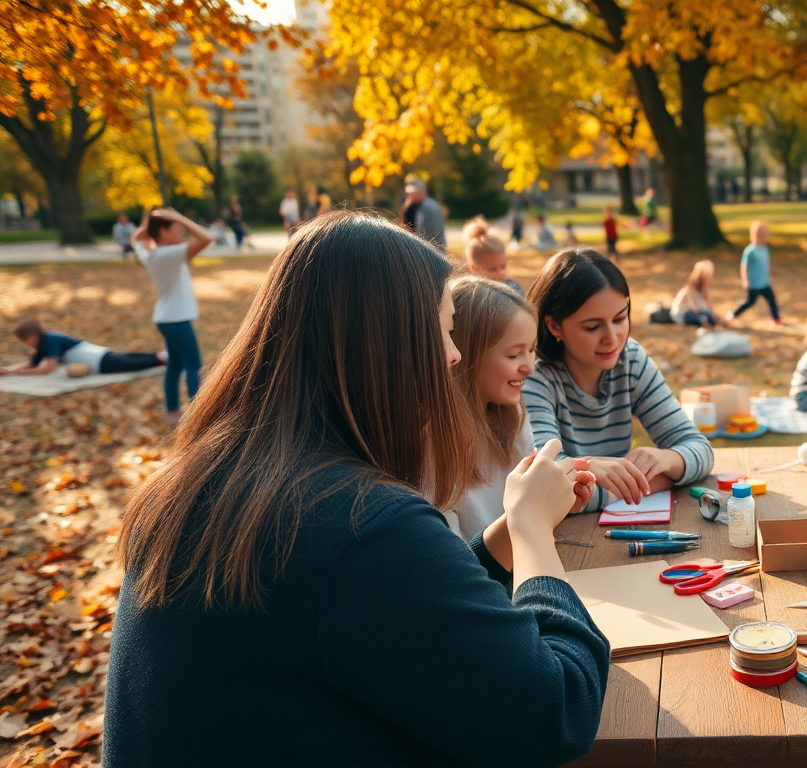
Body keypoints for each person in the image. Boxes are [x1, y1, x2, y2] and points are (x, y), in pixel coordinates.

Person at [105, 212, 608, 766]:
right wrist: (534, 531)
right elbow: (557, 710)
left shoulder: (209, 481)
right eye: (442, 331)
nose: (454, 354)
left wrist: (498, 542)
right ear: (387, 345)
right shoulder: (356, 524)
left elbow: (379, 612)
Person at [522, 248, 713, 510]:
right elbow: (545, 483)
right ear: (554, 326)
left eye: (620, 318)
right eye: (592, 327)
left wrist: (668, 459)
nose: (612, 338)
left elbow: (701, 450)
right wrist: (650, 482)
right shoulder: (533, 376)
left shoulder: (631, 359)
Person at [446, 276, 597, 540]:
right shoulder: (436, 454)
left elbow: (527, 526)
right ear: (465, 356)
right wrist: (534, 512)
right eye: (514, 354)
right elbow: (458, 567)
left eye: (531, 350)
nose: (530, 366)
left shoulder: (511, 416)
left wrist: (557, 506)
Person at [132, 208, 211, 425]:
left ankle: (172, 413)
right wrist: (182, 216)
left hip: (166, 318)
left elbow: (136, 238)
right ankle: (199, 417)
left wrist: (151, 220)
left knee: (175, 365)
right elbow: (206, 238)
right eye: (178, 229)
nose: (183, 233)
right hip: (177, 320)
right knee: (193, 365)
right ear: (162, 234)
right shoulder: (169, 254)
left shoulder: (150, 254)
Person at [2, 319, 165, 376]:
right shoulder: (41, 344)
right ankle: (160, 356)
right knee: (126, 358)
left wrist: (22, 372)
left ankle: (161, 358)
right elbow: (33, 365)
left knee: (128, 364)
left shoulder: (48, 340)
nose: (26, 345)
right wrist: (10, 371)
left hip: (94, 360)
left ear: (32, 336)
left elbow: (48, 368)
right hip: (94, 356)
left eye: (26, 341)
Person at [727, 221, 781, 325]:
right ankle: (734, 314)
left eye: (764, 236)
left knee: (772, 301)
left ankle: (777, 319)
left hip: (765, 282)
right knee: (750, 302)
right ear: (752, 236)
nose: (761, 238)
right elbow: (744, 267)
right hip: (754, 284)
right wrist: (745, 281)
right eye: (758, 236)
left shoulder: (764, 248)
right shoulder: (750, 251)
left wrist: (770, 270)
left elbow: (765, 262)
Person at [462, 216, 523, 295]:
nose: (501, 272)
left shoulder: (513, 289)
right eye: (493, 269)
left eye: (503, 267)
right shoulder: (471, 295)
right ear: (475, 268)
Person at [670, 260, 722, 328]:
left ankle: (714, 324)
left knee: (707, 315)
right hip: (683, 314)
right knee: (703, 316)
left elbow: (709, 308)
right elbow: (694, 308)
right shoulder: (690, 289)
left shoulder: (704, 290)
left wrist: (714, 316)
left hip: (695, 313)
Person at [402, 178, 446, 250]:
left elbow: (429, 236)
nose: (408, 195)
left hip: (430, 252)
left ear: (421, 192)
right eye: (407, 193)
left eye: (411, 192)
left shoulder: (429, 208)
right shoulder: (413, 207)